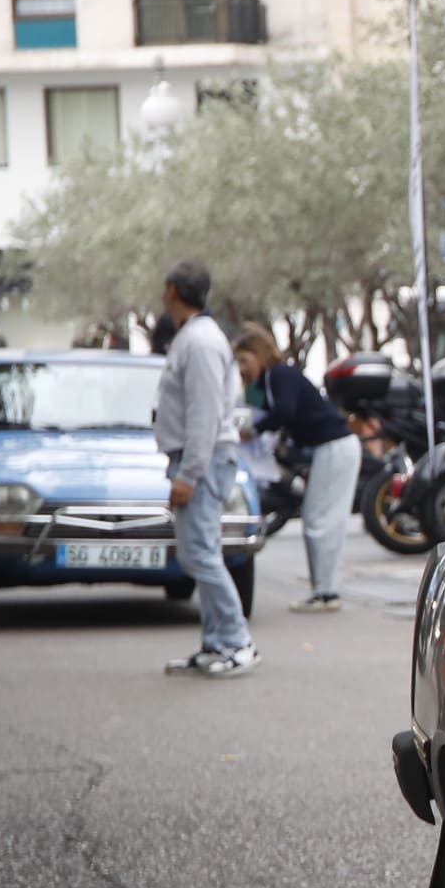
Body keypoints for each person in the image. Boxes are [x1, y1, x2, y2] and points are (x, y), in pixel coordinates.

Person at [154, 261, 257, 677]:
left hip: (204, 458)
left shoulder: (199, 342)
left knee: (200, 554)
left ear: (173, 291)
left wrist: (188, 474)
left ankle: (237, 641)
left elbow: (204, 415)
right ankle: (216, 643)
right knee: (201, 553)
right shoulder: (196, 338)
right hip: (201, 457)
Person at [233, 322, 358, 614]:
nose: (241, 367)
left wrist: (255, 430)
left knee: (320, 520)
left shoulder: (280, 375)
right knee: (322, 519)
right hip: (329, 448)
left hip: (334, 447)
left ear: (260, 354)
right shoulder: (267, 382)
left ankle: (325, 592)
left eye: (244, 360)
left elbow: (283, 412)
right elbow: (261, 407)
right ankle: (324, 590)